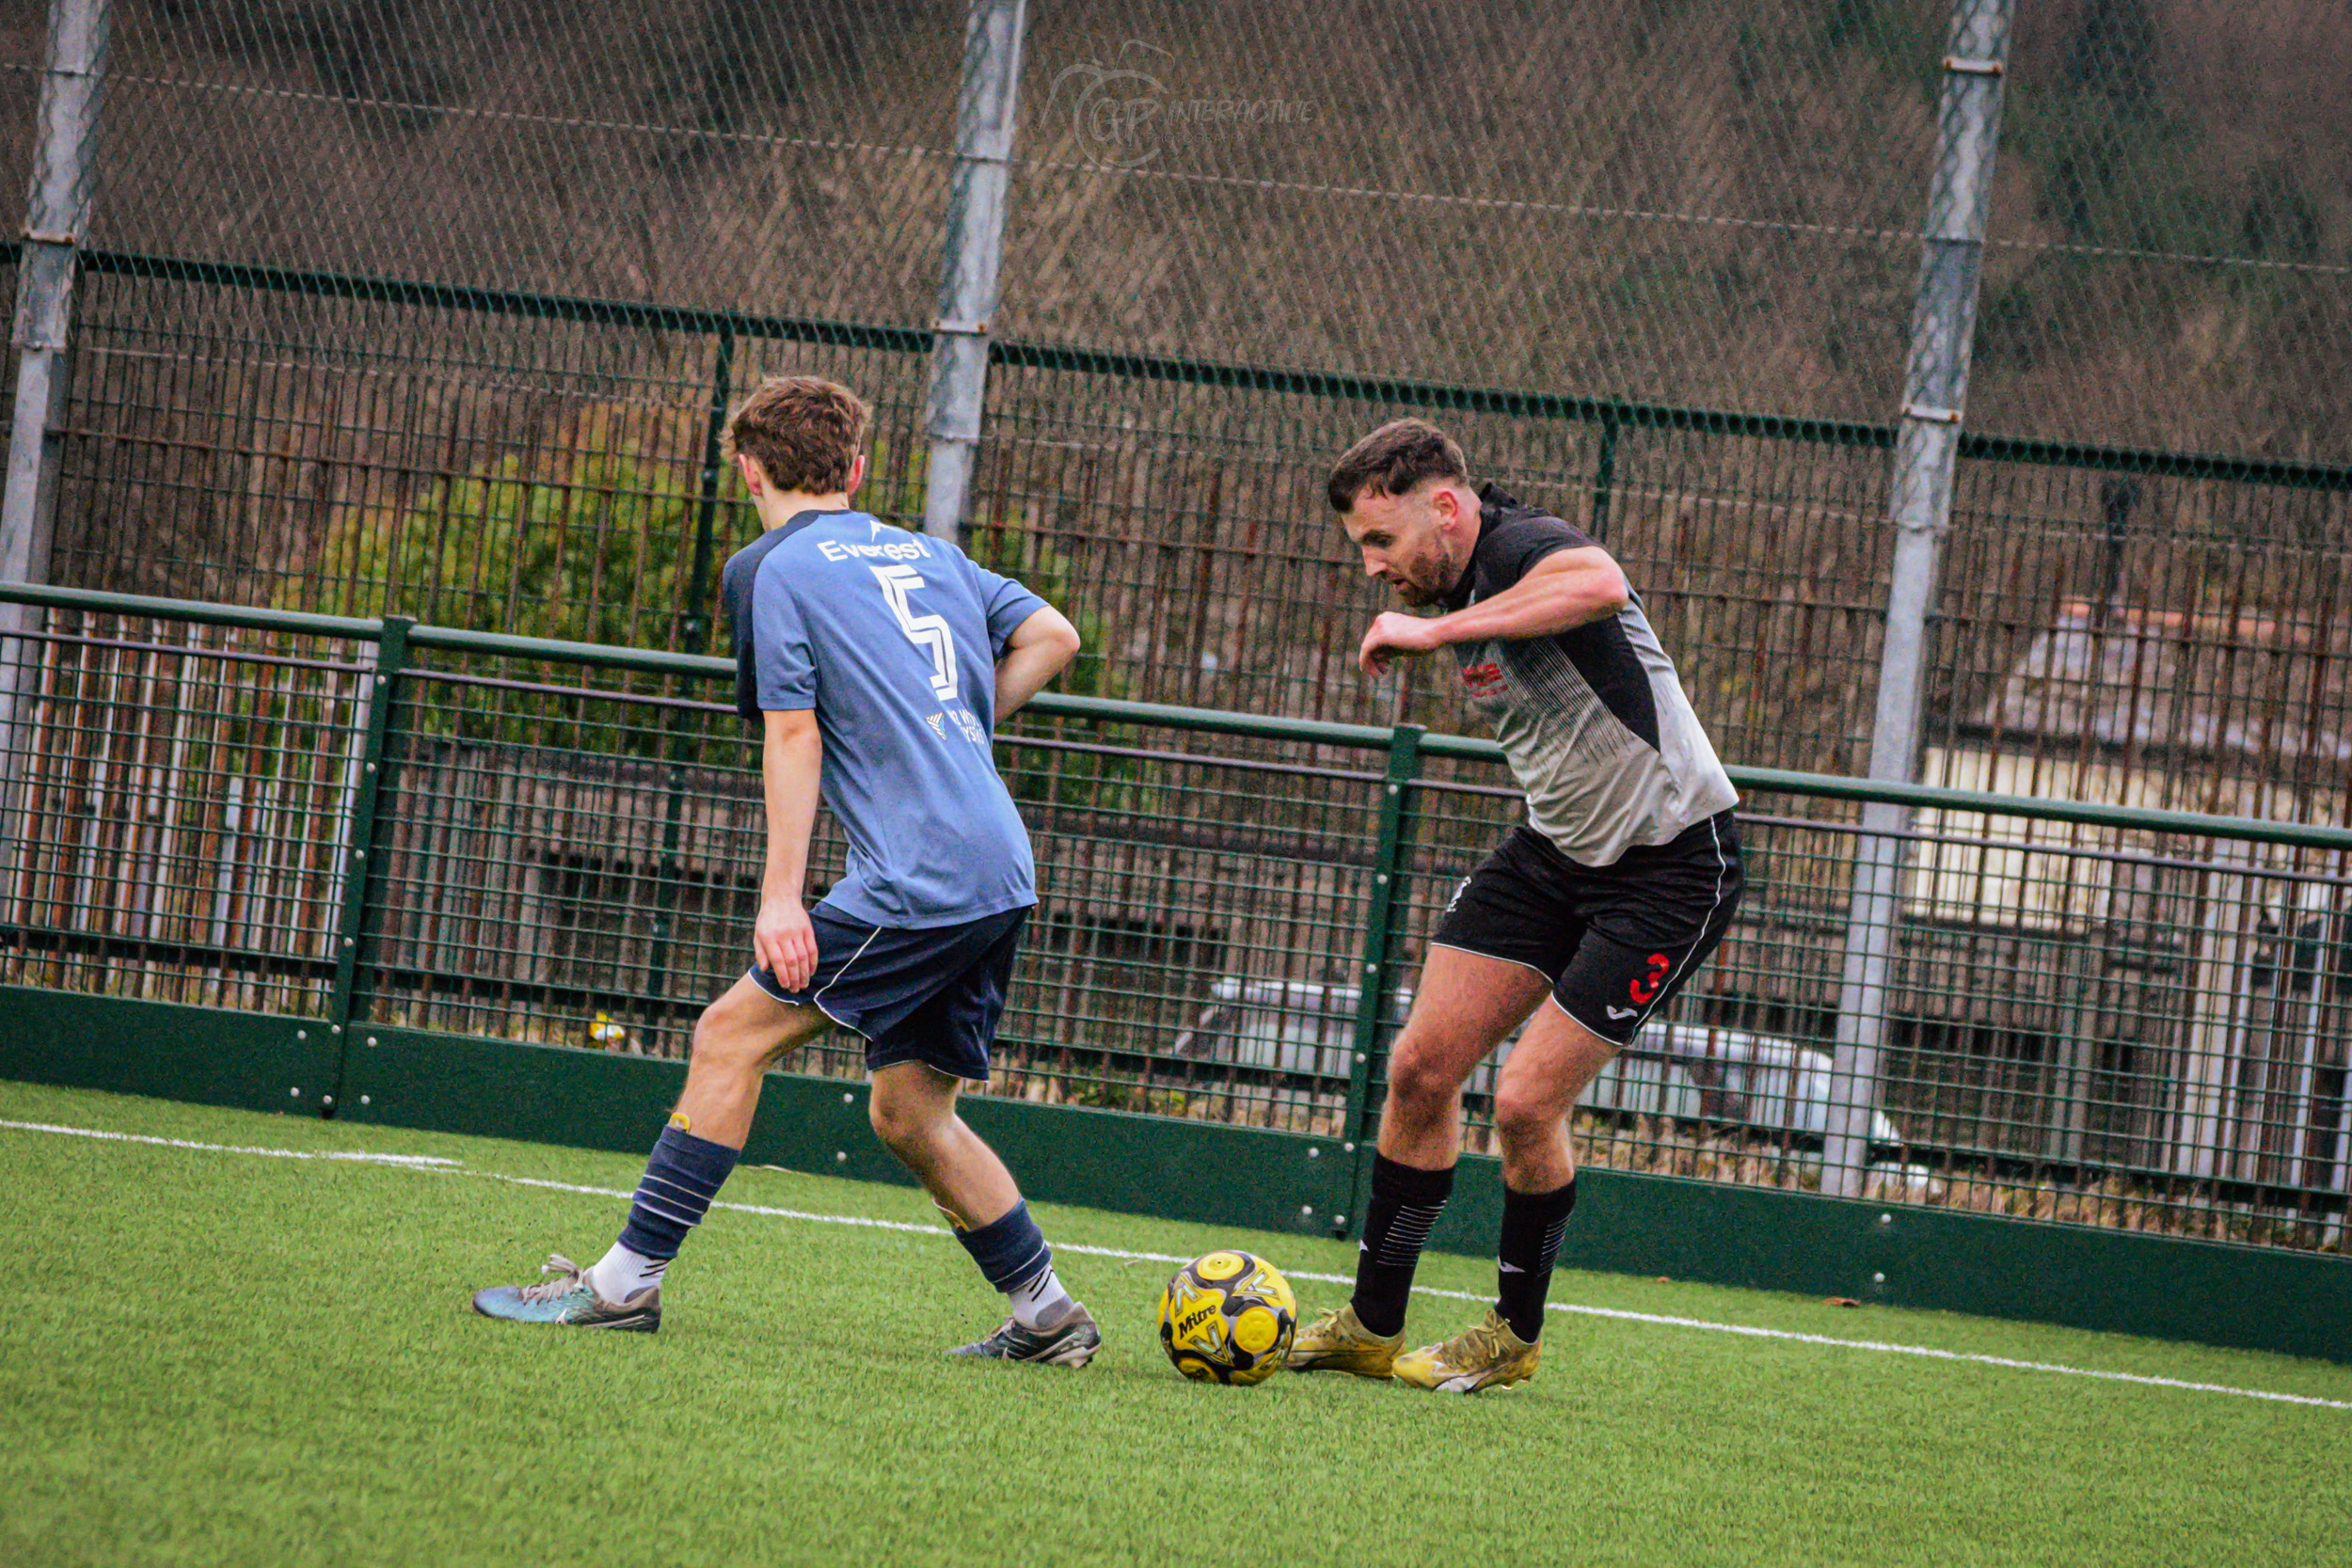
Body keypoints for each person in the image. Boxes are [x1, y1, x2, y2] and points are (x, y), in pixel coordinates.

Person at [472, 374, 1101, 1366]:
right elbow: (1053, 634)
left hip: (921, 878)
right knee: (908, 1109)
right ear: (855, 469)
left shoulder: (767, 567)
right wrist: (952, 731)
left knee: (727, 1037)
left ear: (748, 470)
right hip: (999, 868)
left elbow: (794, 730)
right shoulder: (931, 554)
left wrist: (780, 895)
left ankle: (622, 1285)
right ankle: (1047, 1312)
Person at [1289, 418, 1742, 1393]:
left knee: (1528, 1103)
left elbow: (1599, 585)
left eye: (1381, 539)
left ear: (1444, 508)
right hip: (1552, 853)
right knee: (1418, 1069)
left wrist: (1438, 630)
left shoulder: (1517, 545)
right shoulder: (1454, 579)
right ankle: (1371, 1324)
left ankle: (1514, 1332)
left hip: (1670, 868)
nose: (1372, 566)